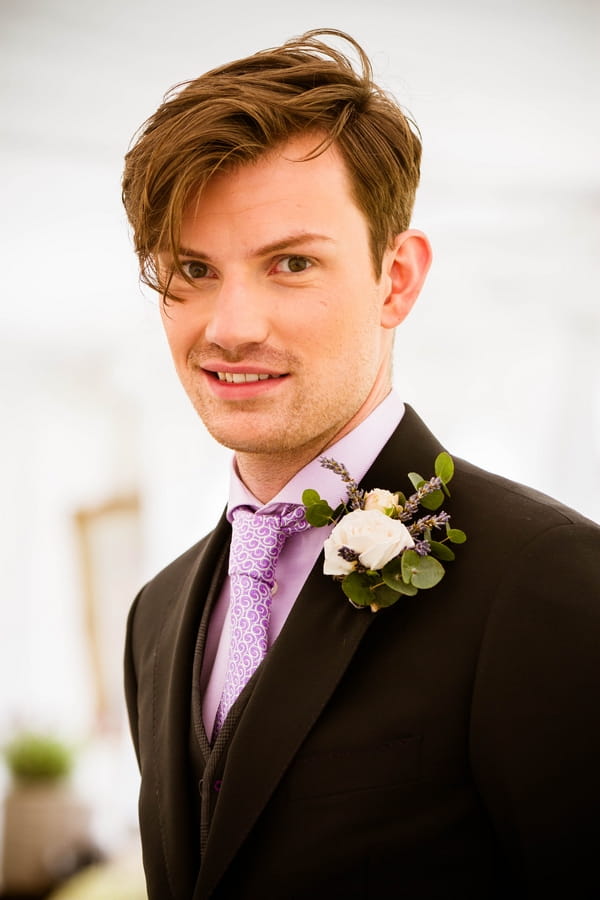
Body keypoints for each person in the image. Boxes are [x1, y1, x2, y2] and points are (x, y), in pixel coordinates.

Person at [122, 29, 600, 899]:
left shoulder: (546, 577)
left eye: (291, 263)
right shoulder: (155, 615)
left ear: (396, 278)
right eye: (192, 269)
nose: (230, 328)